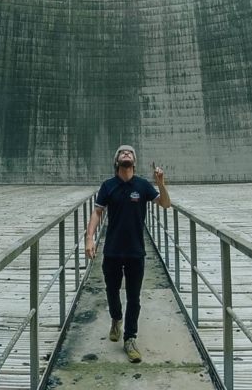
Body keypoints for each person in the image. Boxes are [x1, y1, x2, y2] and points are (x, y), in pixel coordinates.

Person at [85, 145, 171, 363]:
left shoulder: (142, 185)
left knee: (134, 298)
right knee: (112, 291)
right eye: (122, 152)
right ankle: (116, 318)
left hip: (135, 251)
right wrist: (89, 238)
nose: (126, 154)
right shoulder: (108, 185)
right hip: (112, 250)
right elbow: (97, 212)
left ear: (134, 161)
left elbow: (165, 204)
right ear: (117, 161)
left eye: (130, 153)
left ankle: (130, 339)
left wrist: (160, 182)